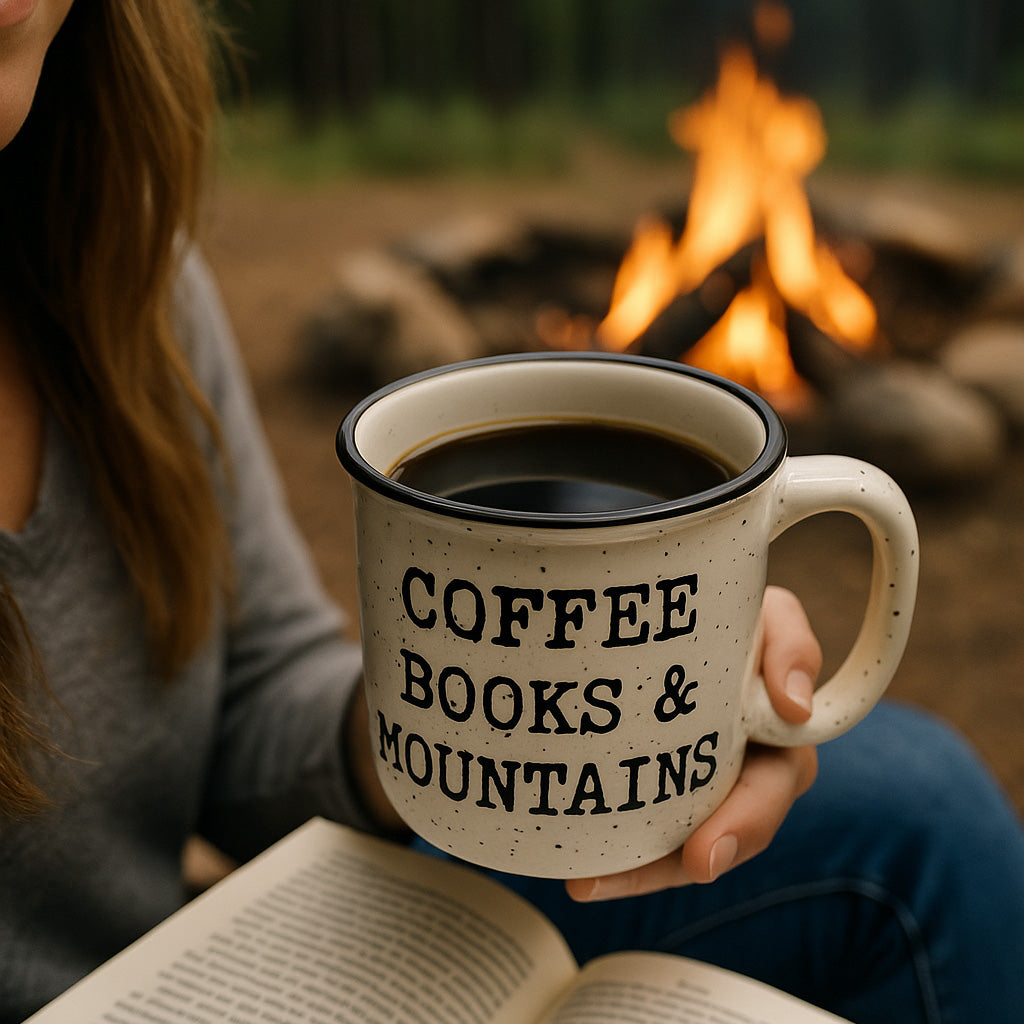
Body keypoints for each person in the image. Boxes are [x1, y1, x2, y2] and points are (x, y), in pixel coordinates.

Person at [1, 2, 1022, 1022]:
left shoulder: (122, 273)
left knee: (920, 821)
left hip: (204, 957)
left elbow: (254, 694)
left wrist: (466, 710)